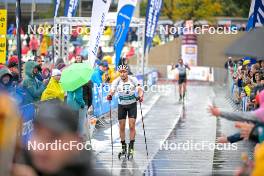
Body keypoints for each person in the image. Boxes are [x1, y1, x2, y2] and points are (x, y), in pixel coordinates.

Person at [13, 102, 108, 176]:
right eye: (38, 134)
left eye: (53, 138)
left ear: (75, 142)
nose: (41, 147)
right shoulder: (15, 167)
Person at [107, 64, 144, 159]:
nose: (122, 74)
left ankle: (131, 147)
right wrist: (110, 95)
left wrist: (140, 96)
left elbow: (140, 89)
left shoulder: (133, 79)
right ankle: (123, 147)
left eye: (124, 72)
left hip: (132, 105)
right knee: (122, 127)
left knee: (132, 126)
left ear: (127, 72)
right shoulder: (116, 81)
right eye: (121, 72)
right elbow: (112, 90)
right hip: (121, 105)